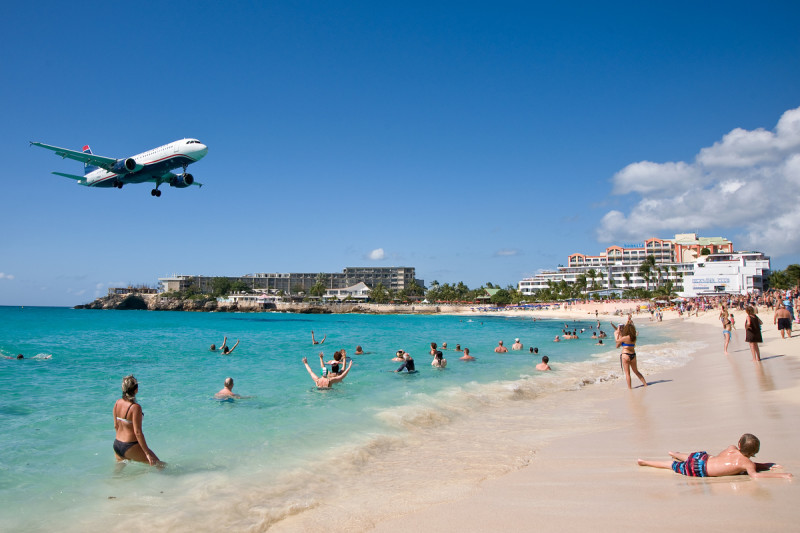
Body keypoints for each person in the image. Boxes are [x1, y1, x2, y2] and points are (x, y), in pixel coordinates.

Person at [637, 434, 791, 479]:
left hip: (703, 459)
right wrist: (781, 476)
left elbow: (724, 460)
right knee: (670, 465)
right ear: (754, 453)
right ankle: (645, 462)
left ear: (738, 443)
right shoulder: (748, 464)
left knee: (694, 455)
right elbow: (755, 476)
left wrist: (766, 465)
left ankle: (675, 453)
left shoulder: (731, 449)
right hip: (699, 469)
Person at [112, 375, 164, 467]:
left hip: (117, 444)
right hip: (130, 445)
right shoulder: (135, 407)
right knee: (159, 465)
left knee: (118, 472)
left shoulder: (117, 403)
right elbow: (138, 432)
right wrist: (147, 453)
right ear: (136, 389)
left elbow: (116, 426)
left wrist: (121, 442)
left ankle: (111, 482)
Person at [615, 320, 647, 389]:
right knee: (636, 371)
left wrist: (618, 332)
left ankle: (629, 388)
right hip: (633, 355)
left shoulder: (625, 338)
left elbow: (617, 341)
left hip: (625, 355)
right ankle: (645, 384)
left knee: (627, 373)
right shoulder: (634, 338)